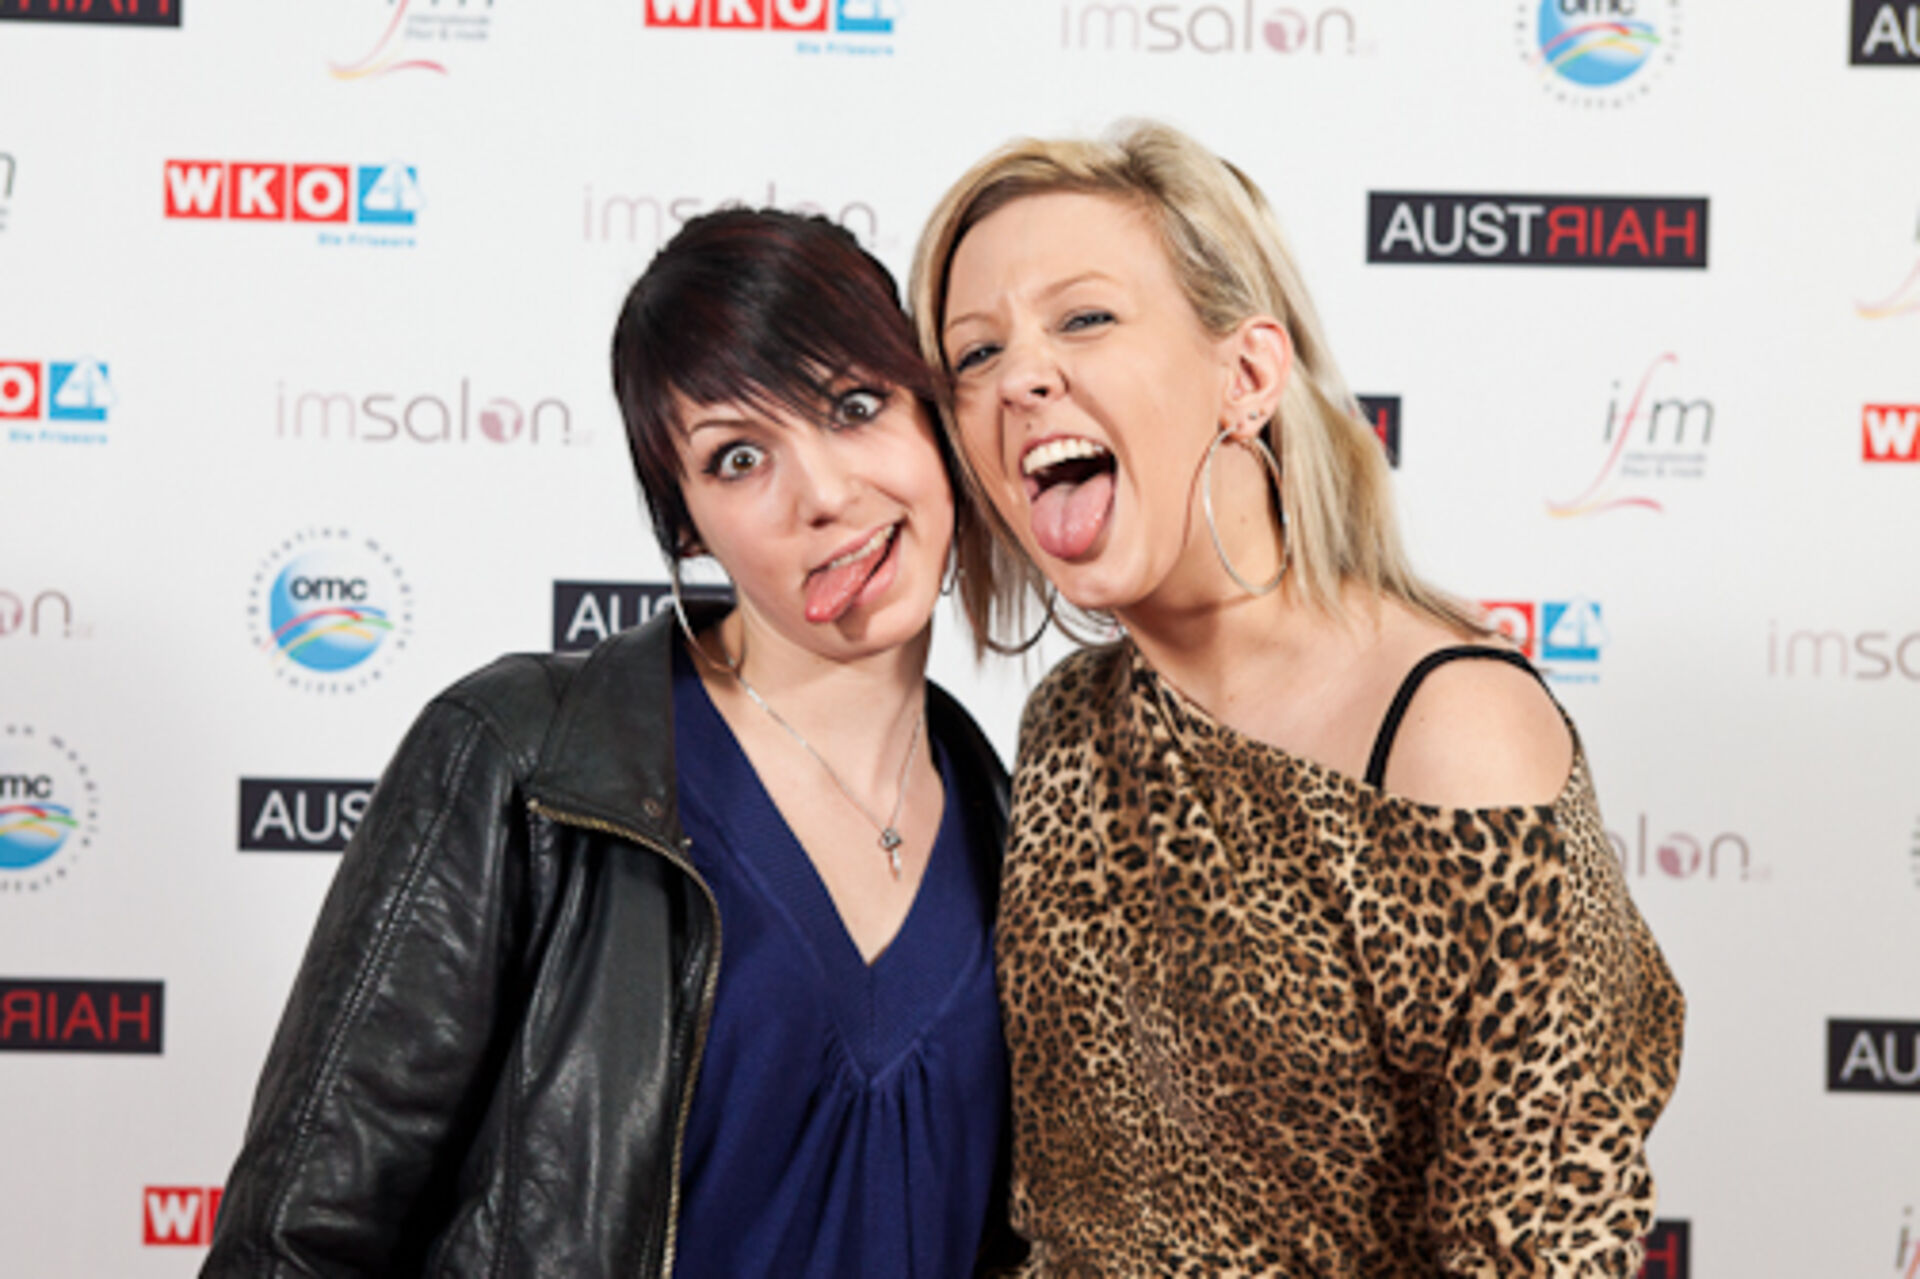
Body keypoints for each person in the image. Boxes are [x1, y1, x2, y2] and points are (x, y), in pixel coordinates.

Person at [908, 121, 1685, 1277]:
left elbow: (1545, 1242)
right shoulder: (1068, 720)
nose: (1018, 378)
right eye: (975, 353)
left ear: (1248, 376)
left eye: (1085, 318)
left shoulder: (1448, 728)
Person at [204, 208, 1014, 1278]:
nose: (824, 495)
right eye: (738, 458)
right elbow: (293, 1248)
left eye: (854, 406)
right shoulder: (524, 763)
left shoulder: (1015, 830)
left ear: (936, 421)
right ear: (685, 523)